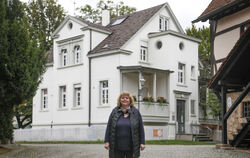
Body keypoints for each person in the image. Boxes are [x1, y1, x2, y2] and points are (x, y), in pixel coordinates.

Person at [104, 92, 145, 158]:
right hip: (116, 146)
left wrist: (142, 142)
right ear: (120, 100)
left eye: (127, 98)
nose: (124, 99)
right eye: (122, 98)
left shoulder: (135, 112)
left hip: (132, 146)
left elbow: (141, 128)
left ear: (130, 100)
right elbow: (109, 126)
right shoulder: (114, 111)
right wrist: (106, 141)